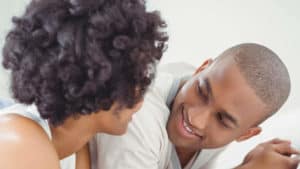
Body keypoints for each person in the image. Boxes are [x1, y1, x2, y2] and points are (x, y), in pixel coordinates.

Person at [0, 0, 168, 168]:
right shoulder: (21, 144)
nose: (140, 102)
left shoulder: (75, 150)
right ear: (101, 82)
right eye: (135, 80)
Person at [92, 43, 299, 169]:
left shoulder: (228, 106)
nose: (196, 119)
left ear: (245, 134)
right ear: (201, 69)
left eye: (222, 119)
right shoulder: (138, 117)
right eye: (202, 92)